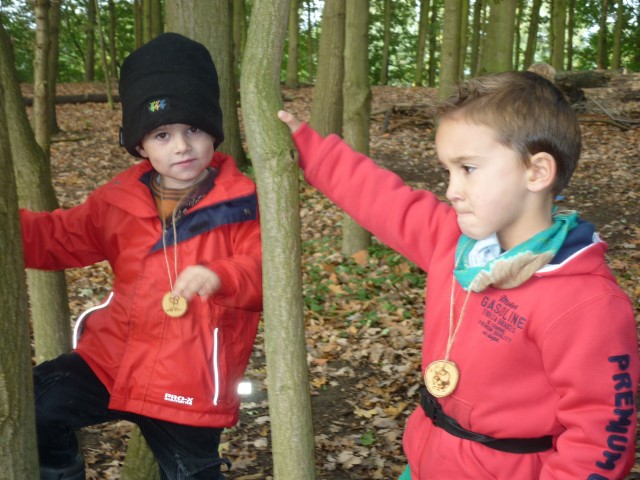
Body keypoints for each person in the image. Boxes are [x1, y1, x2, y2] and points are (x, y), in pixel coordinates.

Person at [278, 71, 639, 479]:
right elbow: (381, 199)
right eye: (448, 171)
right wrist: (311, 149)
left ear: (537, 172)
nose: (452, 190)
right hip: (427, 459)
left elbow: (600, 437)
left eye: (468, 168)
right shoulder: (453, 242)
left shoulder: (586, 303)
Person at [21, 33, 262, 480]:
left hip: (189, 384)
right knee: (35, 406)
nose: (182, 146)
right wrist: (9, 228)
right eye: (162, 134)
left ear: (214, 131)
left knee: (193, 474)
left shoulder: (243, 203)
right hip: (111, 362)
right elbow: (57, 237)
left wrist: (222, 275)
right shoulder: (118, 201)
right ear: (139, 146)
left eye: (194, 129)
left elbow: (266, 270)